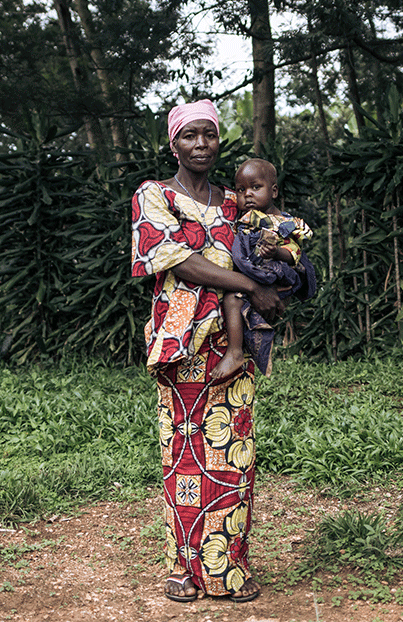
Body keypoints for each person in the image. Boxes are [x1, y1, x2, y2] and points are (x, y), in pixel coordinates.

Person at [131, 99, 283, 603]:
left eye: (209, 135)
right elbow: (175, 260)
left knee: (232, 455)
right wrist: (247, 283)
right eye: (189, 135)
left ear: (219, 140)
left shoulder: (235, 199)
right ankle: (184, 567)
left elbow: (272, 236)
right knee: (183, 455)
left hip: (232, 339)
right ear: (172, 143)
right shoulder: (153, 196)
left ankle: (229, 568)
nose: (200, 144)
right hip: (181, 343)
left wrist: (281, 273)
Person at [212, 158, 317, 381]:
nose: (247, 194)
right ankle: (247, 349)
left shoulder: (283, 222)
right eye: (241, 190)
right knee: (234, 302)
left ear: (274, 191)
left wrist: (277, 253)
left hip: (278, 278)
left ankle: (235, 351)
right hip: (255, 277)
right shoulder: (245, 220)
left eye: (255, 187)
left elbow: (295, 253)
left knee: (233, 299)